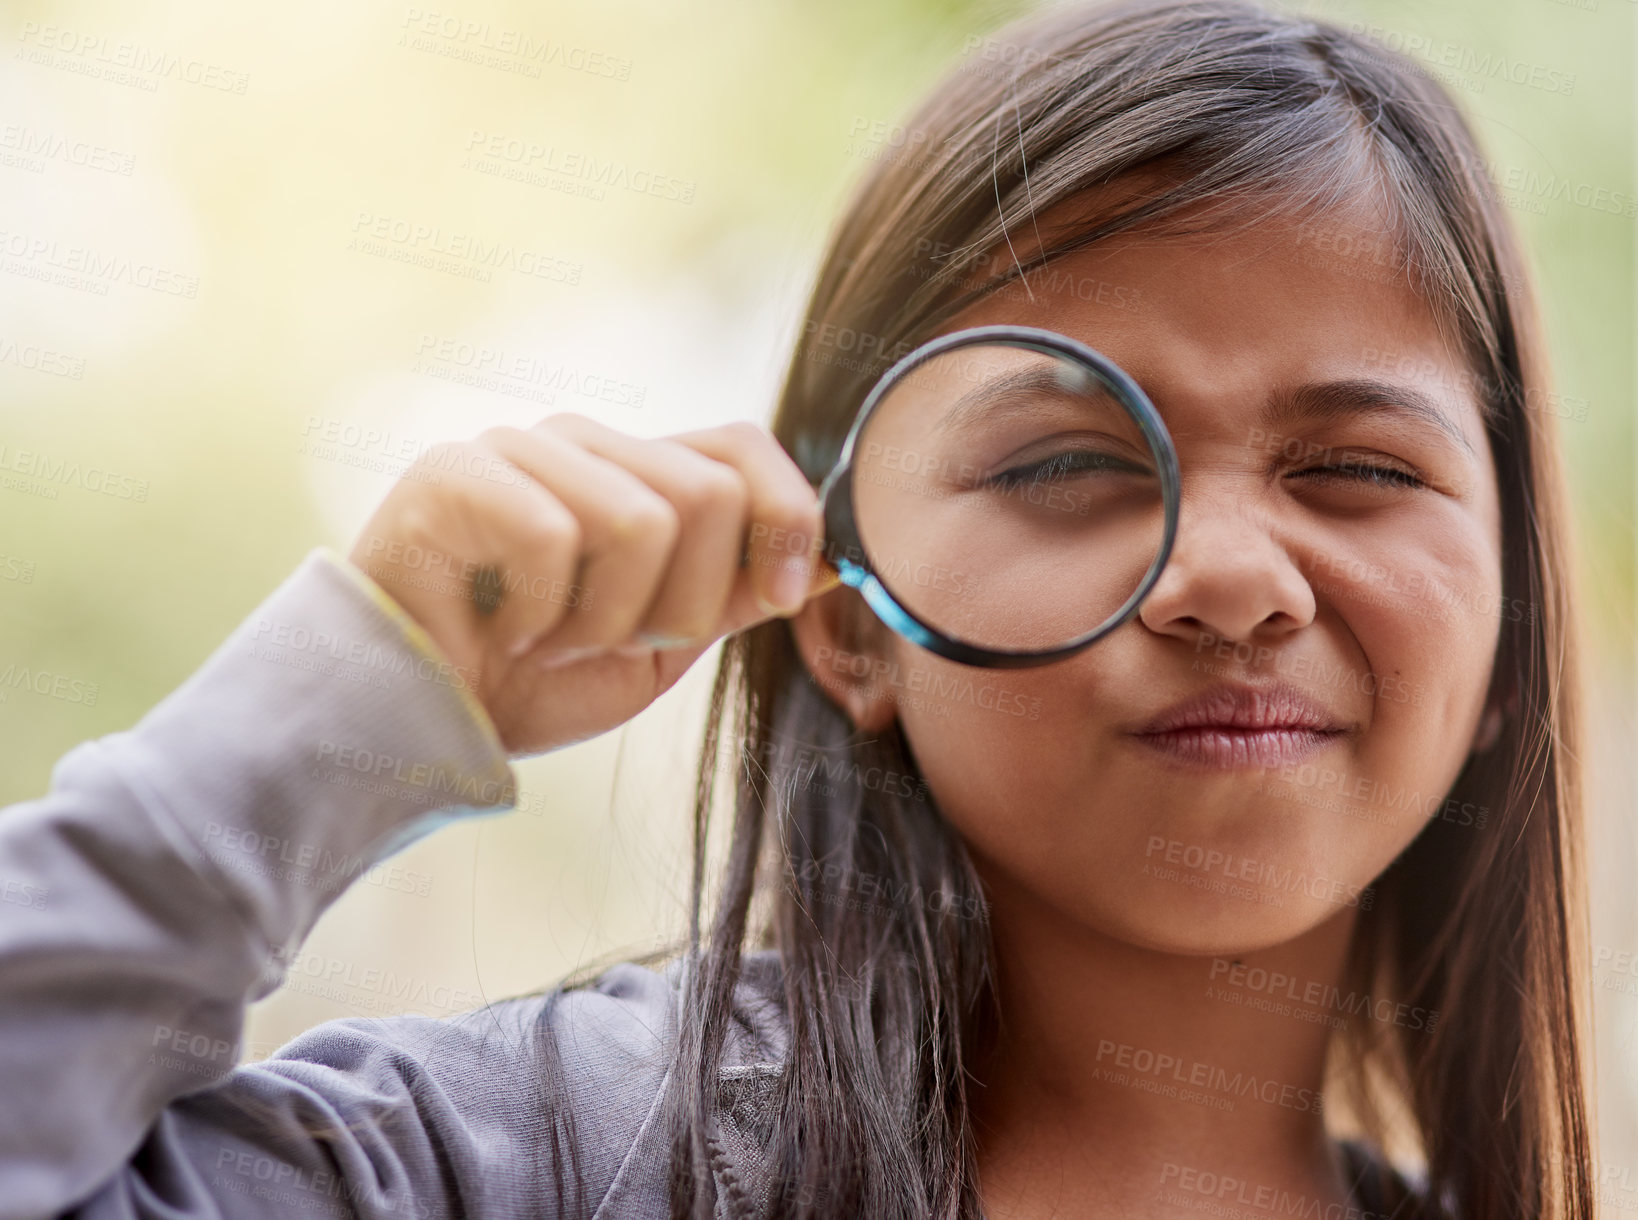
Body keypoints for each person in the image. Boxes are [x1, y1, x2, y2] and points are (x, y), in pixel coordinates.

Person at [0, 1, 1597, 1217]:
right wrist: (343, 710)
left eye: (1353, 466)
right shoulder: (491, 1163)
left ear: (1513, 624)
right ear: (845, 617)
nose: (1237, 580)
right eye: (1061, 462)